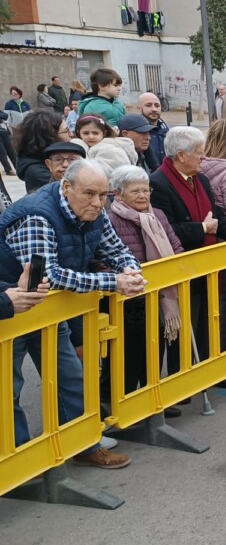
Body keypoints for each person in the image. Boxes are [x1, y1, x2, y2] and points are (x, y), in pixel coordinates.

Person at [0, 158, 144, 468]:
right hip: (11, 306)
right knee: (7, 388)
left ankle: (82, 445)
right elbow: (49, 274)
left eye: (103, 195)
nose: (97, 203)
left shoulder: (94, 210)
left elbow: (116, 250)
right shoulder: (37, 214)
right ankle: (19, 464)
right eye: (89, 194)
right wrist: (114, 282)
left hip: (48, 308)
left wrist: (131, 270)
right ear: (66, 188)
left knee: (70, 377)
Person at [150, 126, 226, 388]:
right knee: (183, 327)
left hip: (209, 265)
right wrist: (201, 229)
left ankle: (213, 373)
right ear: (181, 155)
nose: (204, 157)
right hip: (183, 265)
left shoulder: (201, 179)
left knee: (208, 320)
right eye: (199, 152)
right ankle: (180, 384)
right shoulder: (159, 182)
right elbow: (165, 229)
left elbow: (216, 212)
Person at [104, 165, 185, 417]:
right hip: (127, 299)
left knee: (154, 349)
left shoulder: (157, 215)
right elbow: (103, 258)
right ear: (118, 194)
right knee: (129, 354)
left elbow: (176, 246)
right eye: (134, 191)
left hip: (159, 295)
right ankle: (124, 406)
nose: (142, 196)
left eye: (145, 190)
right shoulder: (110, 218)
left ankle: (152, 400)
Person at [15, 109, 71, 194]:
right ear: (50, 137)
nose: (71, 134)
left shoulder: (43, 159)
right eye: (66, 131)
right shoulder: (37, 172)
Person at [138, 92, 169, 165]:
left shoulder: (166, 131)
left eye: (157, 105)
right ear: (139, 109)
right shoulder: (135, 132)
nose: (154, 109)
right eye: (148, 105)